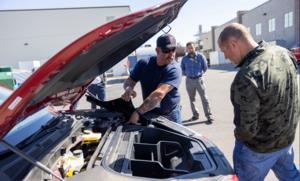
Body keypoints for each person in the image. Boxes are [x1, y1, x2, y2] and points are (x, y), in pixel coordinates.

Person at [218, 23, 300, 181]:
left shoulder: (247, 75)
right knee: (291, 176)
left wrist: (239, 137)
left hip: (259, 150)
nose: (226, 57)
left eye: (225, 51)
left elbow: (246, 130)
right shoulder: (284, 53)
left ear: (234, 44)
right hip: (286, 140)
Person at [121, 34, 182, 124]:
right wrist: (128, 88)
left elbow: (158, 94)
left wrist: (138, 112)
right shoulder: (143, 64)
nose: (171, 54)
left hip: (170, 115)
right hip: (150, 111)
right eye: (167, 50)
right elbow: (129, 81)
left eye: (173, 50)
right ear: (157, 50)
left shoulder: (174, 69)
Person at [181, 42, 214, 123]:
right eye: (188, 48)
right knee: (192, 99)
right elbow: (182, 69)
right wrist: (188, 74)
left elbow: (205, 67)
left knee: (204, 98)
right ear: (187, 49)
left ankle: (209, 115)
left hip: (199, 80)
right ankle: (195, 115)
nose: (190, 49)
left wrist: (199, 74)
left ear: (194, 47)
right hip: (189, 81)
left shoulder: (200, 56)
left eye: (192, 47)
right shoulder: (184, 58)